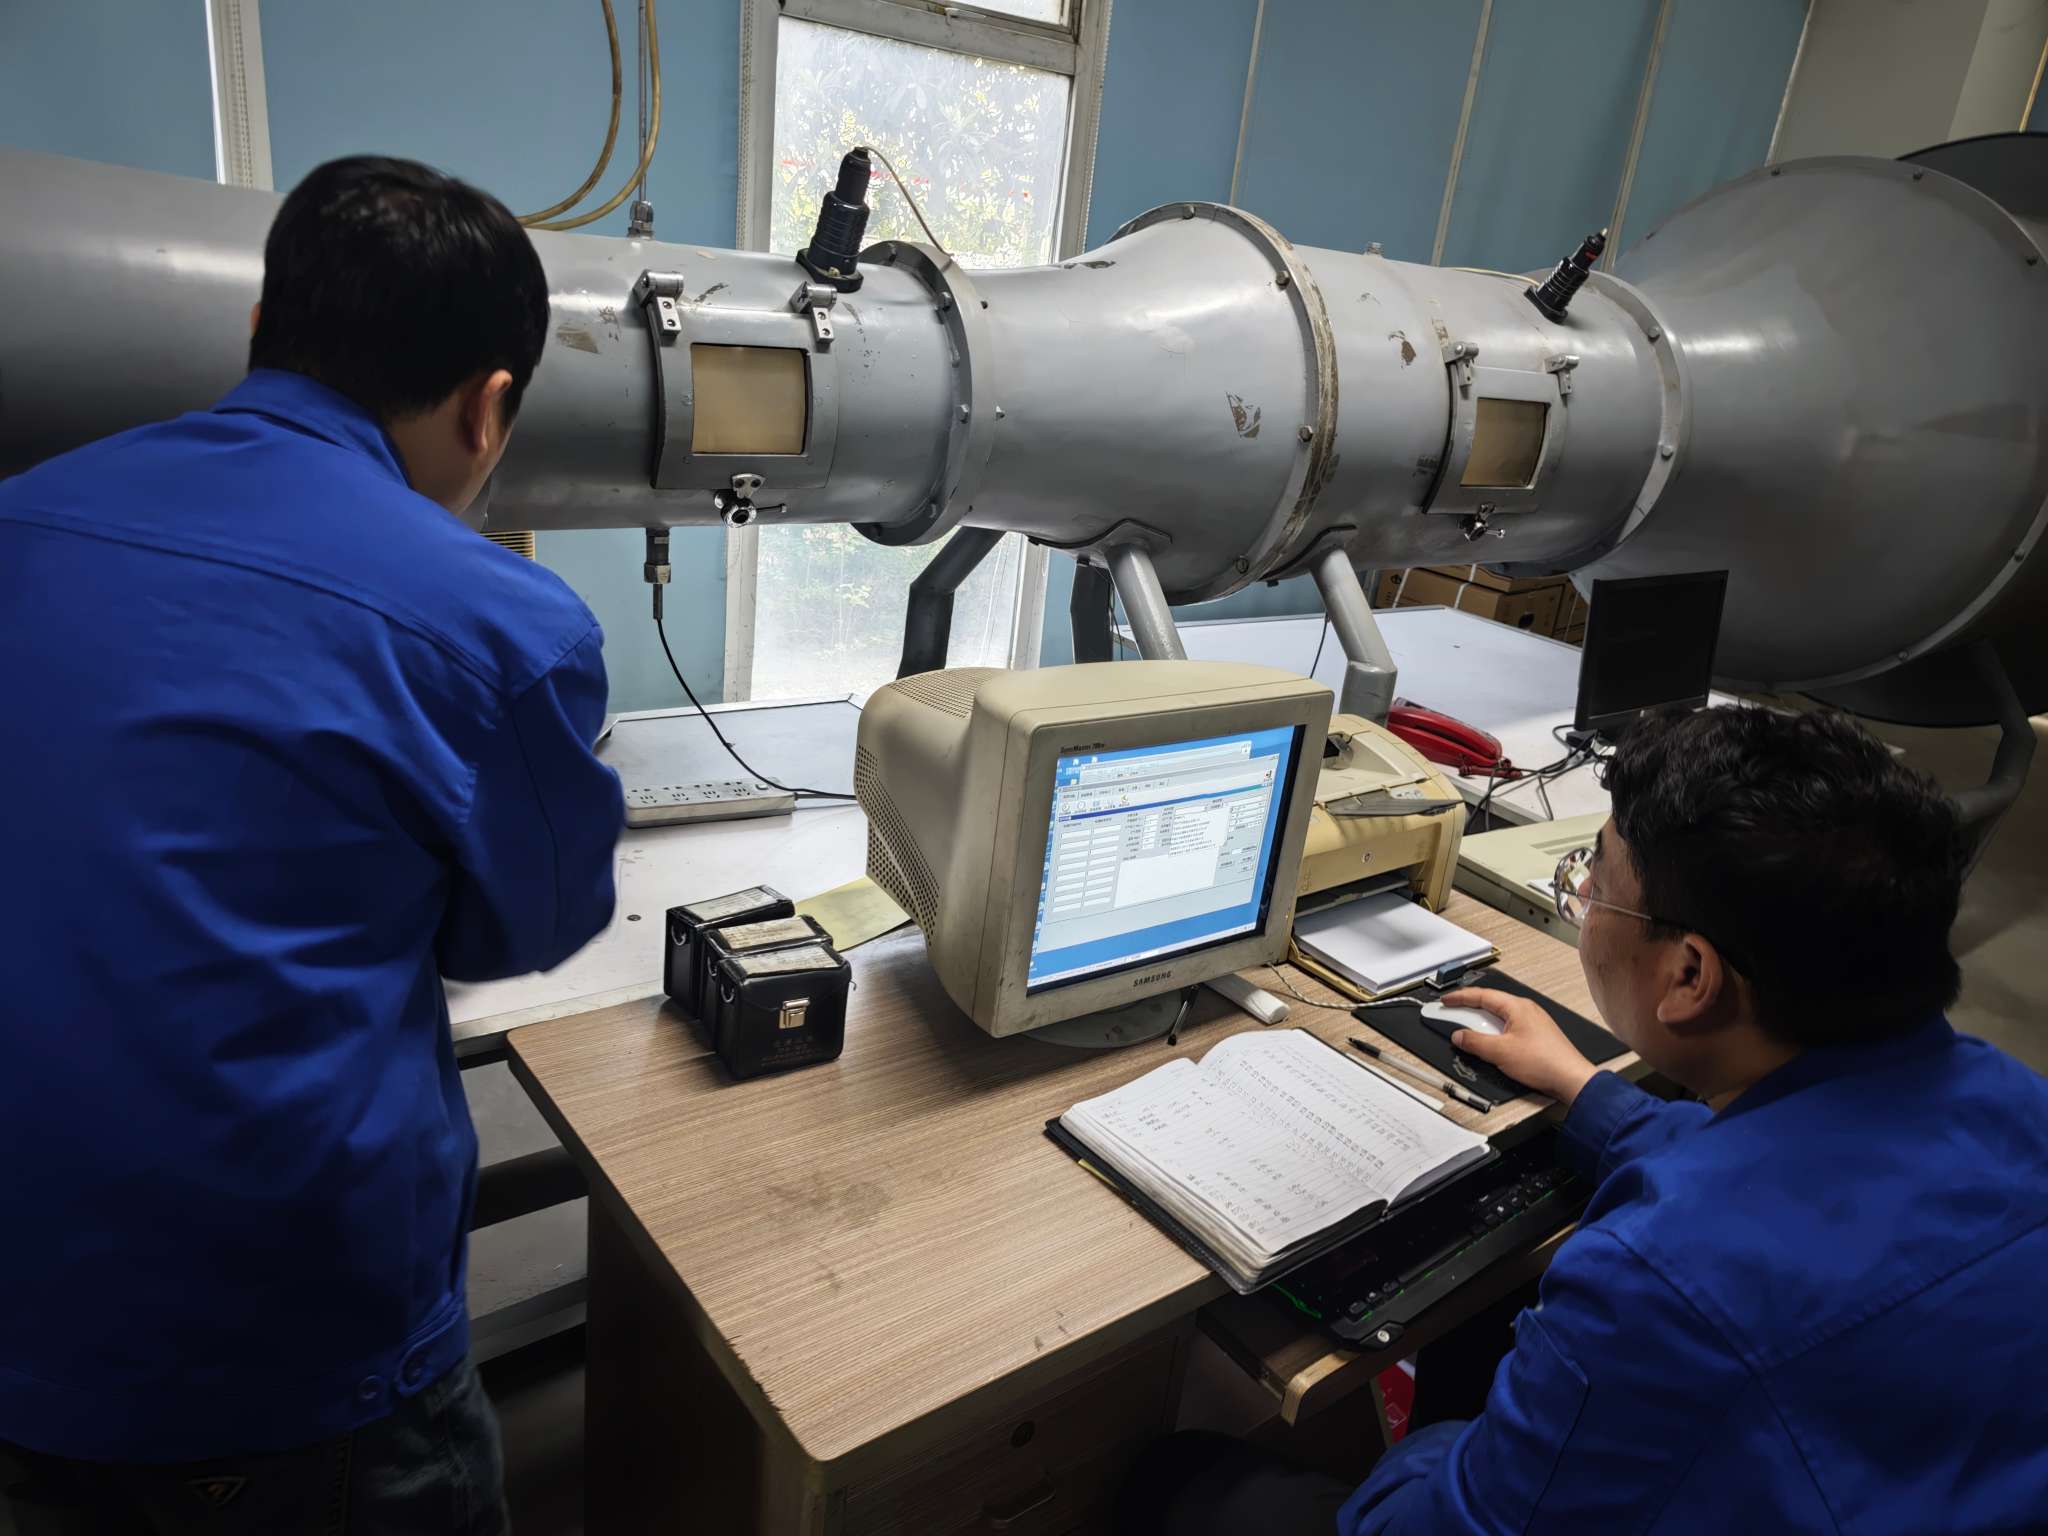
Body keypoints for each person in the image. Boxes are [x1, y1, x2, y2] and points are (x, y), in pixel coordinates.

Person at [0, 157, 622, 1532]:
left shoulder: (17, 517)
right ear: (490, 406)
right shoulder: (499, 623)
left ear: (258, 336)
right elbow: (524, 926)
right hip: (299, 1373)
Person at [1123, 705, 2048, 1534]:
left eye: (1592, 879)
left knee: (1182, 1478)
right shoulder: (2012, 1100)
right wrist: (1580, 1084)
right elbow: (1790, 1173)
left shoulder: (1656, 1285)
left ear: (1690, 975)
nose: (1583, 901)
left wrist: (1441, 1443)